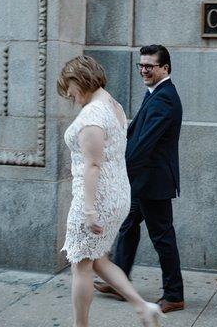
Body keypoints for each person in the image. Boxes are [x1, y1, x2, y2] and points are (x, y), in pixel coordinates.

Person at [58, 55, 163, 327]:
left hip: (95, 198)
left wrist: (90, 210)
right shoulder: (112, 104)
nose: (68, 93)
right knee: (99, 260)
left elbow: (93, 165)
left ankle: (80, 326)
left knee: (81, 265)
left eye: (69, 86)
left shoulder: (93, 115)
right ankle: (144, 307)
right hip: (116, 194)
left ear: (80, 78)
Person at [94, 45, 185, 313]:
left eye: (150, 66)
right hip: (143, 180)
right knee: (128, 226)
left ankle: (174, 295)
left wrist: (119, 173)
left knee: (163, 237)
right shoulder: (156, 93)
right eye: (141, 65)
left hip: (152, 182)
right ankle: (119, 281)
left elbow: (144, 144)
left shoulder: (164, 98)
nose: (144, 70)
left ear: (165, 68)